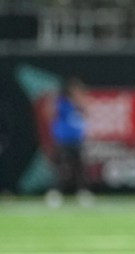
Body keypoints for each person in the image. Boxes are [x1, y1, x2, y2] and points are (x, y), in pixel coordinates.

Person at [47, 77, 93, 208]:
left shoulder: (79, 105)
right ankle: (55, 193)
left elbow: (86, 114)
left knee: (80, 168)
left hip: (77, 140)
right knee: (62, 168)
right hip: (63, 140)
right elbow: (50, 114)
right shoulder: (62, 103)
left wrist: (81, 104)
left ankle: (83, 193)